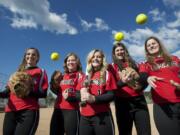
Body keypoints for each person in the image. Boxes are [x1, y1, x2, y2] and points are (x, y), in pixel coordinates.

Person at [0, 47, 48, 135]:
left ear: (37, 58)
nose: (30, 56)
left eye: (34, 54)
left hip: (28, 110)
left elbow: (43, 94)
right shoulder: (17, 73)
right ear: (25, 56)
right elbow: (6, 92)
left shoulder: (41, 71)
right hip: (11, 110)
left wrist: (26, 91)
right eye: (28, 54)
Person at [140, 36, 180, 135]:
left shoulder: (174, 59)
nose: (151, 46)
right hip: (163, 106)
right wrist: (147, 78)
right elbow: (142, 75)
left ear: (159, 44)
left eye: (153, 43)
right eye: (148, 45)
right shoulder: (146, 64)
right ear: (147, 50)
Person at [109, 42, 151, 135]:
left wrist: (140, 87)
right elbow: (111, 87)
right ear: (114, 53)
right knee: (125, 132)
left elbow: (143, 80)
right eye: (117, 50)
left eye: (121, 49)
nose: (120, 52)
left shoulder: (134, 63)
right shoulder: (111, 67)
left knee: (145, 132)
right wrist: (122, 82)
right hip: (122, 102)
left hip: (139, 101)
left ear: (125, 51)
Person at [79, 49, 117, 135]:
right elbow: (78, 94)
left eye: (98, 57)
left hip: (102, 115)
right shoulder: (84, 76)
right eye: (93, 57)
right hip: (84, 117)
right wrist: (81, 92)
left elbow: (111, 95)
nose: (95, 58)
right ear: (90, 59)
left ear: (102, 59)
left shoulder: (107, 74)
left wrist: (94, 99)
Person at [50, 52, 85, 135]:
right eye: (68, 60)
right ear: (66, 63)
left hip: (72, 110)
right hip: (58, 109)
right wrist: (53, 83)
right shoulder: (62, 75)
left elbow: (82, 94)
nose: (70, 62)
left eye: (73, 60)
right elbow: (57, 91)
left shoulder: (80, 75)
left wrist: (71, 96)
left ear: (77, 62)